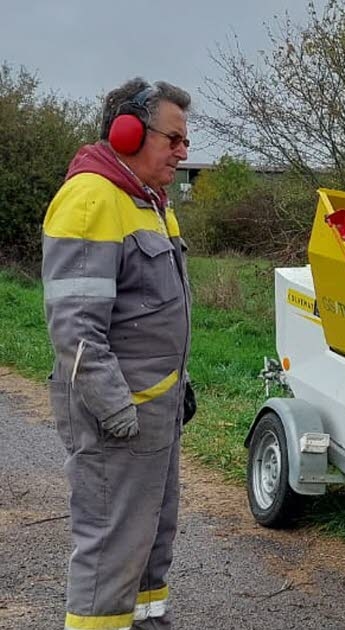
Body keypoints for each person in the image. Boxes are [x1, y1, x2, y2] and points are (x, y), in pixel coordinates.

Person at [42, 78, 194, 630]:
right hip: (119, 418)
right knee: (111, 552)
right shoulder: (91, 200)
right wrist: (117, 415)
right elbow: (77, 329)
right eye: (173, 139)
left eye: (185, 141)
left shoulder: (151, 204)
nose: (183, 152)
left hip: (156, 411)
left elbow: (150, 313)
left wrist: (178, 385)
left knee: (151, 543)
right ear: (127, 132)